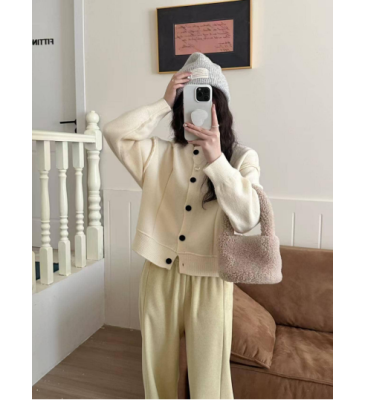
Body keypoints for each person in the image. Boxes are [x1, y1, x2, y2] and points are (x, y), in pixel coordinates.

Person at [103, 52, 262, 400]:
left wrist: (216, 160)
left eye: (207, 98)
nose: (198, 107)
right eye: (189, 99)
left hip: (211, 281)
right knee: (156, 372)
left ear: (220, 107)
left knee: (209, 379)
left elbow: (248, 218)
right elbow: (114, 132)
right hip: (159, 274)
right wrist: (162, 103)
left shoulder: (241, 159)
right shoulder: (158, 154)